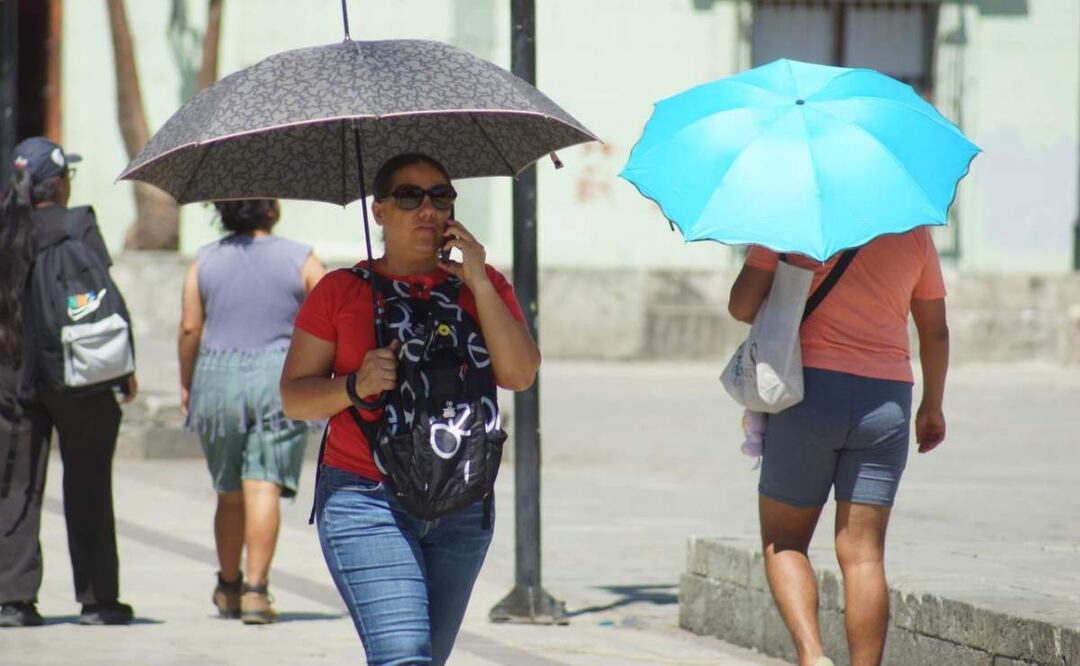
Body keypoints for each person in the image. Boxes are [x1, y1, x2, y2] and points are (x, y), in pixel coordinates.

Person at [280, 153, 539, 665]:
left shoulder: (483, 286)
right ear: (379, 211)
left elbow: (519, 374)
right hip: (365, 497)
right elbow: (294, 397)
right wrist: (355, 385)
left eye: (440, 196)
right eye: (408, 196)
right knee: (403, 655)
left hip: (462, 500)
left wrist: (480, 281)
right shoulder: (341, 290)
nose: (427, 209)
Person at [727, 229, 949, 666]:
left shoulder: (788, 224)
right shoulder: (914, 233)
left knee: (785, 540)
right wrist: (933, 407)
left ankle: (813, 657)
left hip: (808, 394)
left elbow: (741, 306)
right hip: (887, 400)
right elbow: (935, 331)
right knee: (865, 555)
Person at [0, 137, 139, 627]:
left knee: (15, 486)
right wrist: (124, 368)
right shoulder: (79, 224)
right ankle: (99, 601)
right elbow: (103, 301)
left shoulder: (5, 230)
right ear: (58, 183)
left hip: (12, 378)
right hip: (80, 374)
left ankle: (13, 601)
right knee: (89, 484)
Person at [178, 199, 323, 624]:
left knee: (228, 489)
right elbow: (332, 305)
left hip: (217, 378)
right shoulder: (302, 258)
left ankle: (227, 587)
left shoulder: (203, 262)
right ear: (271, 211)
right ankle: (257, 592)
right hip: (279, 376)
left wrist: (188, 382)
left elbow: (190, 327)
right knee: (264, 485)